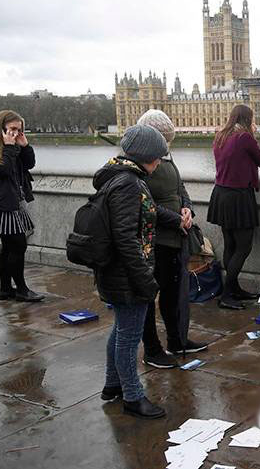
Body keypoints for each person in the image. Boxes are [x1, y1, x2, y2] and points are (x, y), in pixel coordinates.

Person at [95, 124, 170, 419]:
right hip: (127, 274)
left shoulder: (121, 177)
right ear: (146, 155)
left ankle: (112, 385)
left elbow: (146, 212)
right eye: (158, 155)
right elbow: (125, 238)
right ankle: (132, 397)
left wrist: (176, 219)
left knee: (121, 329)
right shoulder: (128, 183)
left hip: (118, 272)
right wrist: (145, 279)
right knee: (129, 336)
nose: (160, 161)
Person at [136, 110, 208, 370]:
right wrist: (175, 218)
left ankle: (177, 340)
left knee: (173, 294)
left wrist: (187, 208)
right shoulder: (139, 164)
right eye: (164, 141)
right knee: (149, 298)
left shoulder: (165, 156)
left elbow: (180, 188)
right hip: (155, 240)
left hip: (175, 238)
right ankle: (152, 349)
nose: (167, 146)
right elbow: (144, 204)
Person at [207, 104, 260, 310]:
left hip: (221, 194)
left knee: (230, 244)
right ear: (247, 119)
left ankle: (234, 289)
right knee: (244, 246)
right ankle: (226, 295)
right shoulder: (245, 138)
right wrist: (253, 135)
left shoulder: (220, 136)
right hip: (239, 196)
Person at [0, 110, 44, 302]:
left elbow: (29, 164)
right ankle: (21, 289)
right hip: (1, 205)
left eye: (19, 130)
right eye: (12, 129)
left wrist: (25, 145)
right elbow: (2, 170)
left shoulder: (14, 146)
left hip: (15, 201)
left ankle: (5, 290)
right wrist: (9, 147)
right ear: (1, 128)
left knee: (8, 247)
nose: (16, 133)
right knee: (18, 245)